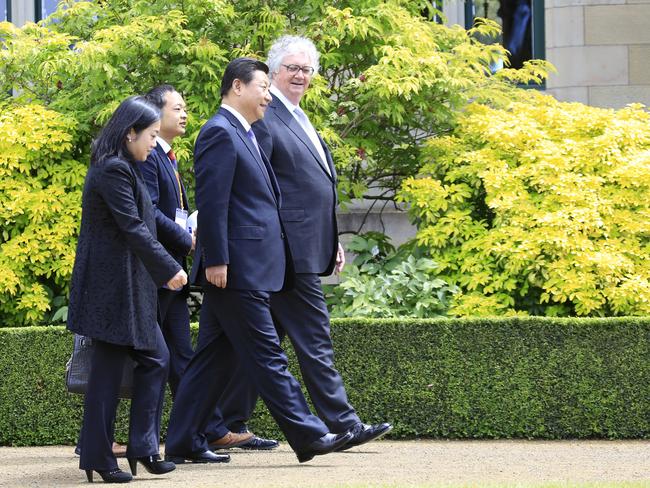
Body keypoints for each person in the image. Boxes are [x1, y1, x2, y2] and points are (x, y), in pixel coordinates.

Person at [164, 57, 352, 464]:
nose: (268, 95)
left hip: (250, 266)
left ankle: (181, 441)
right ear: (237, 87)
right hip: (235, 270)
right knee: (268, 354)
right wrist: (216, 260)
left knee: (211, 359)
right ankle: (309, 434)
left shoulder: (244, 131)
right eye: (263, 87)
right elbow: (213, 204)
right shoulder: (219, 131)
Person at [252, 35, 392, 448]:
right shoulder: (265, 116)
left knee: (237, 349)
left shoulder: (298, 115)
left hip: (304, 247)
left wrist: (331, 239)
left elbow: (314, 188)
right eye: (292, 68)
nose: (300, 75)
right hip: (286, 252)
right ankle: (345, 422)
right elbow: (263, 189)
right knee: (315, 336)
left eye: (307, 69)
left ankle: (219, 425)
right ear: (273, 71)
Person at [141, 84, 274, 451]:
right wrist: (188, 238)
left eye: (185, 108)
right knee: (151, 357)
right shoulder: (150, 157)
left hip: (174, 271)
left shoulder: (168, 157)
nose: (184, 114)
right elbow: (149, 213)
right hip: (157, 272)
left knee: (183, 356)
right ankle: (133, 438)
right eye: (177, 108)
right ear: (155, 113)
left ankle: (206, 430)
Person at [67, 96, 187, 483]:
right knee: (108, 373)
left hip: (129, 288)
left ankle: (142, 446)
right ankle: (99, 457)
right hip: (110, 290)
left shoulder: (128, 167)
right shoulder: (111, 170)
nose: (154, 142)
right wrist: (169, 269)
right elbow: (133, 226)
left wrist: (188, 243)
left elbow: (150, 216)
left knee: (156, 359)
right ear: (130, 132)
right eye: (150, 135)